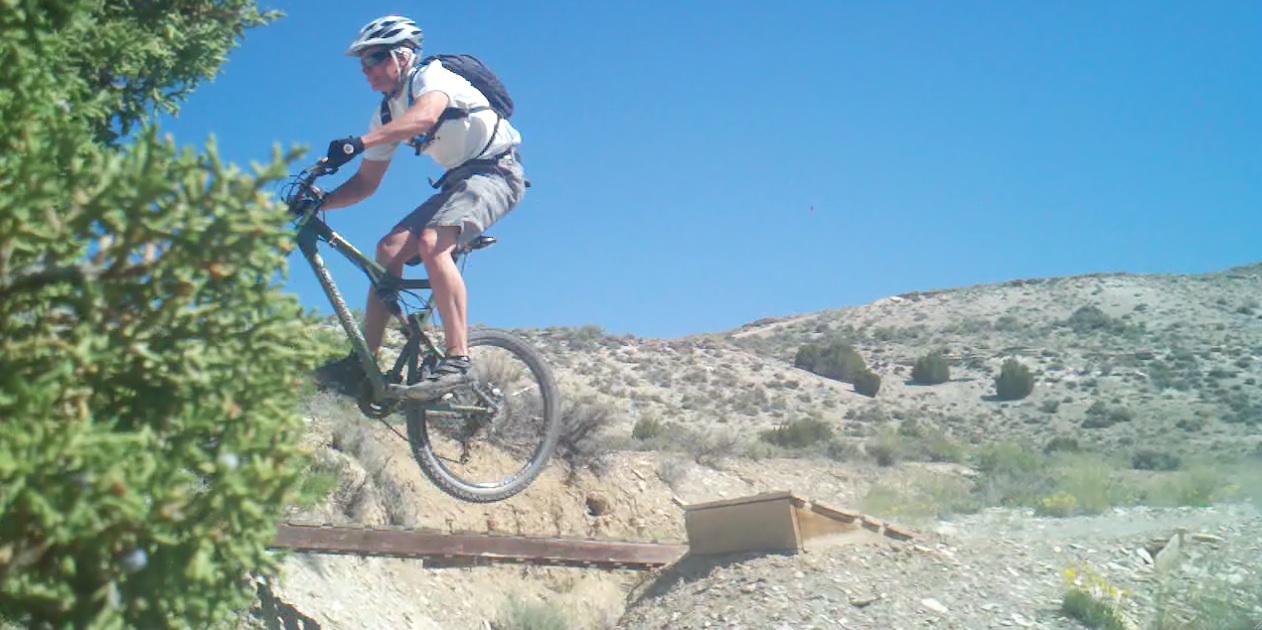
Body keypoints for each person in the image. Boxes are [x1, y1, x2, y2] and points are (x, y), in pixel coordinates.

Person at [313, 15, 525, 396]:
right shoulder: (386, 114)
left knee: (432, 242)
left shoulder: (432, 75)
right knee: (387, 250)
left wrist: (358, 143)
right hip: (457, 183)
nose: (367, 70)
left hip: (497, 172)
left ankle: (458, 360)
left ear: (402, 55)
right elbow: (365, 184)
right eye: (363, 64)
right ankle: (364, 364)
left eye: (375, 59)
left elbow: (425, 116)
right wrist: (321, 202)